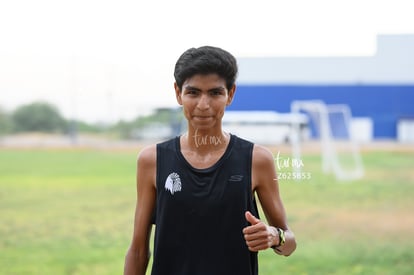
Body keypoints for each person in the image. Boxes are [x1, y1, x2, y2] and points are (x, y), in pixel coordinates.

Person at [124, 46, 296, 275]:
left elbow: (289, 243)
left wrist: (275, 236)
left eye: (215, 93)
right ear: (178, 93)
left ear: (230, 94)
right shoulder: (152, 160)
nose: (203, 105)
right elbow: (138, 250)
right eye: (193, 92)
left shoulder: (257, 159)